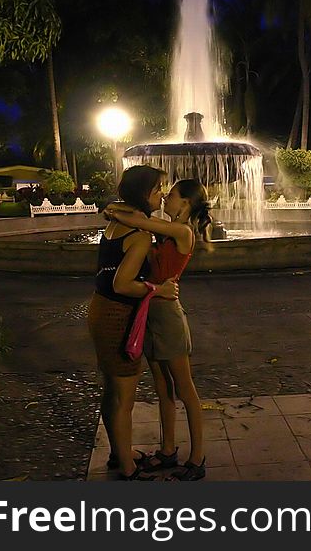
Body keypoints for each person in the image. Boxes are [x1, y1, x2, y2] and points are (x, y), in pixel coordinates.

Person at [105, 179, 210, 481]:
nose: (165, 198)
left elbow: (135, 219)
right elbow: (136, 218)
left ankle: (197, 458)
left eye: (173, 195)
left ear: (186, 203)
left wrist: (114, 213)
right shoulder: (166, 229)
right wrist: (113, 210)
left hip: (167, 316)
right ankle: (167, 450)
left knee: (185, 389)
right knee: (163, 388)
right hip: (149, 312)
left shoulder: (182, 232)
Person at [87, 165, 178, 481]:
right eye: (158, 189)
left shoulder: (115, 225)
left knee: (111, 391)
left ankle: (118, 454)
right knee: (124, 399)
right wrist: (158, 289)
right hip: (118, 315)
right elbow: (122, 284)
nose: (162, 194)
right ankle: (127, 468)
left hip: (100, 310)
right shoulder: (139, 236)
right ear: (143, 193)